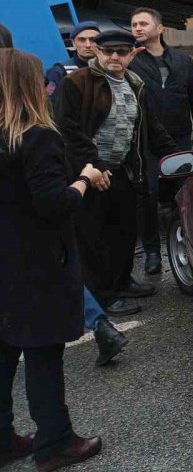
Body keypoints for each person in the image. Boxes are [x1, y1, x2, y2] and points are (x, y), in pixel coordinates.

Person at [0, 48, 103, 472]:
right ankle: (55, 442)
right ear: (30, 86)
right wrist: (84, 179)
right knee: (43, 354)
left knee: (4, 352)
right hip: (38, 263)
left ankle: (3, 440)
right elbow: (51, 204)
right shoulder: (37, 136)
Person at [55, 29, 177, 312]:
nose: (114, 57)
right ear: (97, 51)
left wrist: (179, 156)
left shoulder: (136, 84)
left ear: (130, 54)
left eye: (121, 52)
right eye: (108, 51)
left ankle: (122, 281)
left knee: (123, 231)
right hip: (88, 173)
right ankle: (103, 296)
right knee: (93, 237)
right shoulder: (76, 82)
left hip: (123, 170)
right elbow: (66, 129)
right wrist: (93, 166)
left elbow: (152, 129)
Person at [129, 8, 193, 275]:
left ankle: (191, 245)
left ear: (160, 28)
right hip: (145, 141)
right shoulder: (132, 61)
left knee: (184, 193)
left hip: (178, 138)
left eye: (143, 23)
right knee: (147, 195)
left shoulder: (182, 60)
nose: (138, 28)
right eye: (134, 24)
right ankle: (153, 253)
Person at [44, 21, 101, 101]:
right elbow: (52, 105)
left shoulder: (113, 69)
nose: (88, 45)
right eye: (82, 40)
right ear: (73, 43)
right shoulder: (59, 72)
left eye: (93, 40)